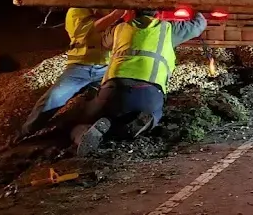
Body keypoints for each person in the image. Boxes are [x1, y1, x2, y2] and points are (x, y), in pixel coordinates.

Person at [72, 9, 207, 156]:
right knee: (155, 113)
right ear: (158, 15)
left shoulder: (119, 28)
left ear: (132, 13)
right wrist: (194, 9)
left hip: (112, 90)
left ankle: (88, 131)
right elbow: (199, 24)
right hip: (148, 92)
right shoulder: (167, 29)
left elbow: (103, 41)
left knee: (85, 118)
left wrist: (119, 18)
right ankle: (133, 126)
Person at [19, 8, 129, 138]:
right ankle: (26, 132)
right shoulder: (77, 10)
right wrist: (115, 15)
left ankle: (81, 128)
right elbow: (86, 33)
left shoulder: (112, 12)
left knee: (106, 100)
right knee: (53, 98)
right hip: (80, 66)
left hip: (106, 67)